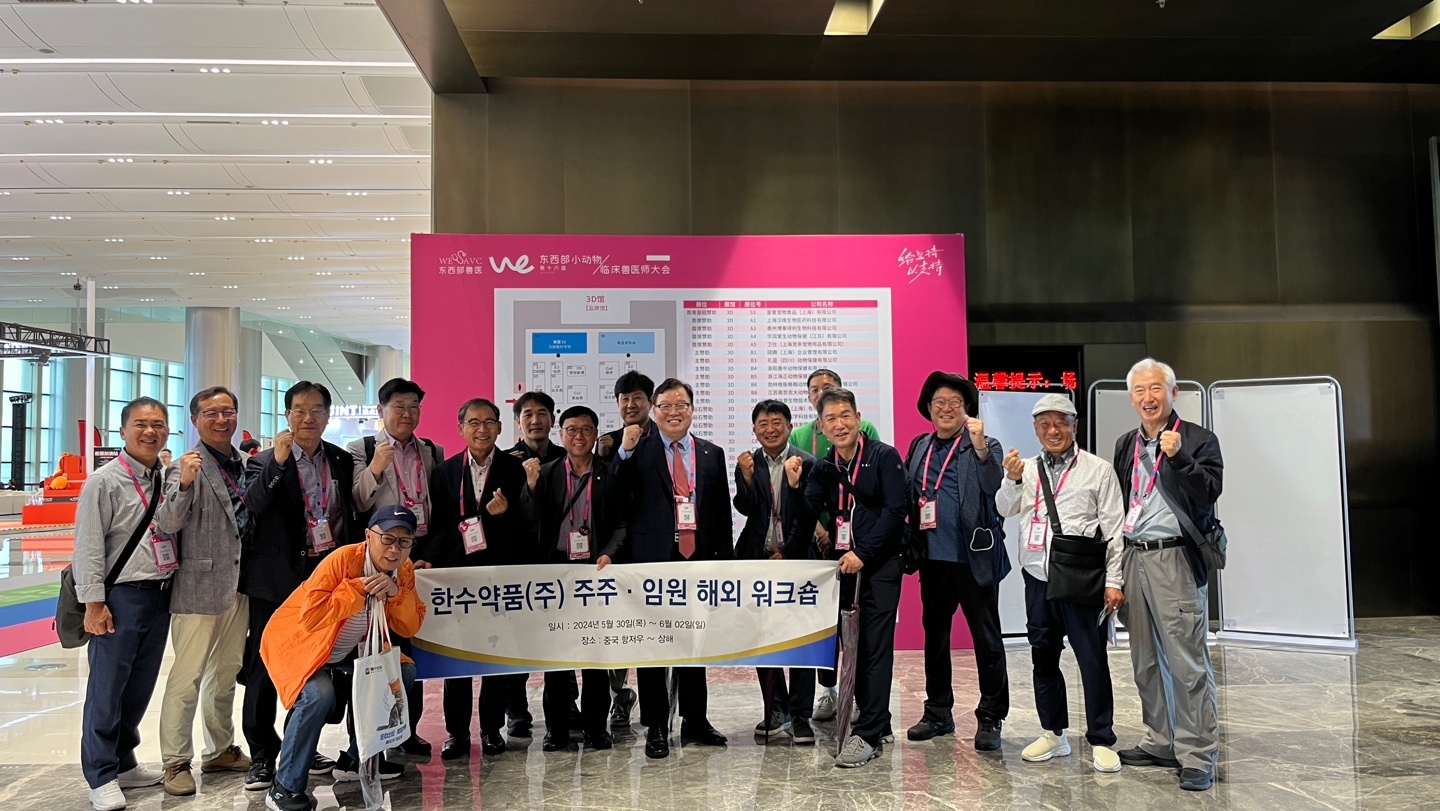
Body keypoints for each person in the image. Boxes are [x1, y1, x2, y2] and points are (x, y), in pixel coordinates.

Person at [239, 381, 373, 791]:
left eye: (317, 410)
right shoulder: (263, 461)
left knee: (319, 663)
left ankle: (302, 744)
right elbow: (253, 504)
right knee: (266, 663)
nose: (308, 417)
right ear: (287, 415)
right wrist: (279, 463)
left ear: (328, 416)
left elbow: (350, 516)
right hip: (276, 580)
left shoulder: (339, 459)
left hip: (325, 577)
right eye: (299, 409)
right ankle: (262, 753)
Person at [258, 505, 426, 811]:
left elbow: (410, 625)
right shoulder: (342, 560)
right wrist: (358, 588)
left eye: (404, 541)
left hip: (353, 648)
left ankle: (354, 759)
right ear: (368, 536)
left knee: (402, 674)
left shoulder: (404, 570)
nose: (394, 549)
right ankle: (284, 786)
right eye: (387, 538)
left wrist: (395, 594)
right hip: (300, 644)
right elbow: (311, 617)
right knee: (318, 695)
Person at [994, 393, 1126, 774]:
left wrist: (1114, 580)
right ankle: (1053, 733)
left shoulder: (1098, 470)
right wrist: (1011, 479)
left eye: (1061, 423)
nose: (1053, 431)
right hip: (1038, 577)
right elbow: (1004, 507)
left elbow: (1114, 529)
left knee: (1092, 659)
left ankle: (1101, 738)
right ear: (1036, 429)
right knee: (1043, 656)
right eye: (1045, 424)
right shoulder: (1026, 468)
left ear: (1074, 426)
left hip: (1082, 578)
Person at [1112, 359, 1223, 792]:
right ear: (1131, 398)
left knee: (1186, 662)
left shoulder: (1197, 439)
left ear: (1173, 393)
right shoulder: (1126, 443)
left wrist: (1178, 459)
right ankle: (1160, 741)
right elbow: (1124, 502)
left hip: (1175, 558)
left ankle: (1197, 754)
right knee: (1144, 659)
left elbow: (1209, 491)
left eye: (1156, 388)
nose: (1148, 397)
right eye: (1140, 390)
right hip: (1134, 556)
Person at [610, 378, 732, 760]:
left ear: (692, 410)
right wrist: (624, 453)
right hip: (652, 561)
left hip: (698, 560)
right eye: (665, 406)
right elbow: (615, 498)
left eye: (682, 405)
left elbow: (721, 514)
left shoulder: (712, 454)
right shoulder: (637, 449)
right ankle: (657, 726)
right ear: (654, 410)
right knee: (654, 647)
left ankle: (695, 719)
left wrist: (724, 566)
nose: (674, 412)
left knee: (695, 643)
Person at [74, 397, 174, 811]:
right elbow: (88, 547)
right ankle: (100, 775)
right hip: (120, 597)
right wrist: (94, 603)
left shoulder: (165, 478)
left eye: (158, 424)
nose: (150, 431)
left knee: (139, 686)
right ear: (123, 431)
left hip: (160, 594)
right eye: (141, 424)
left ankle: (123, 761)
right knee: (107, 688)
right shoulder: (104, 481)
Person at [153, 387, 253, 796]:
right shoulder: (184, 466)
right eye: (211, 413)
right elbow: (166, 523)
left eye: (228, 411)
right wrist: (185, 484)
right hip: (198, 586)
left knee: (225, 671)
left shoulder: (246, 464)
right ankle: (175, 760)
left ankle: (220, 749)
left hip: (240, 585)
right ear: (195, 420)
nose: (221, 420)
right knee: (188, 674)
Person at [420, 397, 531, 760]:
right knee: (458, 660)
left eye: (489, 423)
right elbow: (439, 526)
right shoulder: (445, 472)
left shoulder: (514, 470)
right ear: (461, 428)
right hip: (458, 578)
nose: (482, 429)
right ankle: (456, 733)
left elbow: (528, 527)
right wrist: (431, 560)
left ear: (500, 428)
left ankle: (491, 729)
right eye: (474, 422)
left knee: (493, 657)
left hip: (497, 577)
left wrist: (505, 514)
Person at [903, 372, 1009, 751]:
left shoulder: (985, 445)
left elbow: (994, 485)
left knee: (987, 640)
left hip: (973, 559)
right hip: (933, 559)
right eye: (939, 402)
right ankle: (938, 712)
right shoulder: (920, 445)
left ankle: (991, 715)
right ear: (928, 408)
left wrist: (980, 448)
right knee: (935, 638)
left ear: (967, 410)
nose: (946, 409)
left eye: (955, 403)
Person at [803, 387, 908, 768]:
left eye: (845, 415)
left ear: (858, 418)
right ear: (821, 426)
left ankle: (869, 734)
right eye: (831, 418)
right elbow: (809, 509)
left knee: (875, 647)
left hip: (879, 565)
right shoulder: (825, 465)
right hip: (843, 566)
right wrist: (796, 485)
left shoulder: (884, 457)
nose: (840, 424)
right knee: (854, 647)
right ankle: (877, 717)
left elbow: (896, 510)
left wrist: (864, 553)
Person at [346, 376, 444, 758]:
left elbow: (438, 508)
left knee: (410, 647)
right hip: (379, 562)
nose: (407, 413)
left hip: (416, 559)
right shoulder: (362, 448)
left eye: (413, 407)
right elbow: (357, 502)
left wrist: (428, 553)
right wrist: (374, 468)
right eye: (399, 406)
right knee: (375, 649)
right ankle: (366, 738)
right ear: (381, 410)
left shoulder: (431, 451)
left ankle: (407, 730)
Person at [520, 405, 623, 752]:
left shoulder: (610, 473)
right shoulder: (546, 473)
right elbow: (529, 520)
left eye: (586, 430)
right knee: (557, 657)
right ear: (561, 434)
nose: (579, 436)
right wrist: (530, 486)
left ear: (595, 434)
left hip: (596, 570)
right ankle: (556, 730)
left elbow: (622, 522)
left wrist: (610, 552)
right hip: (558, 572)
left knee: (596, 656)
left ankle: (596, 728)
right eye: (571, 430)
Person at [788, 368, 880, 721]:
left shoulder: (864, 429)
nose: (821, 393)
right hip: (817, 539)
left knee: (855, 623)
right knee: (824, 622)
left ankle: (856, 693)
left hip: (854, 542)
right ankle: (827, 691)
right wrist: (819, 531)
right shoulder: (799, 434)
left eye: (828, 388)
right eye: (815, 390)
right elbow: (804, 491)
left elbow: (870, 483)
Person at [733, 399, 818, 746]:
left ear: (789, 426)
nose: (770, 429)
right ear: (754, 430)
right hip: (757, 559)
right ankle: (776, 709)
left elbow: (809, 514)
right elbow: (746, 508)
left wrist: (789, 551)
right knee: (762, 638)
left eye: (777, 422)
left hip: (797, 562)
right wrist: (747, 479)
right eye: (763, 424)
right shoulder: (748, 462)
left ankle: (801, 716)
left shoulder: (807, 463)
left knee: (801, 640)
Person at [594, 370, 655, 729]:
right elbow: (608, 497)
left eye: (638, 398)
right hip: (616, 549)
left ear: (649, 402)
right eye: (624, 399)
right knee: (615, 626)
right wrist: (618, 453)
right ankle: (621, 695)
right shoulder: (607, 443)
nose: (631, 405)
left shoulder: (664, 438)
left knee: (656, 627)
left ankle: (659, 708)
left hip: (655, 548)